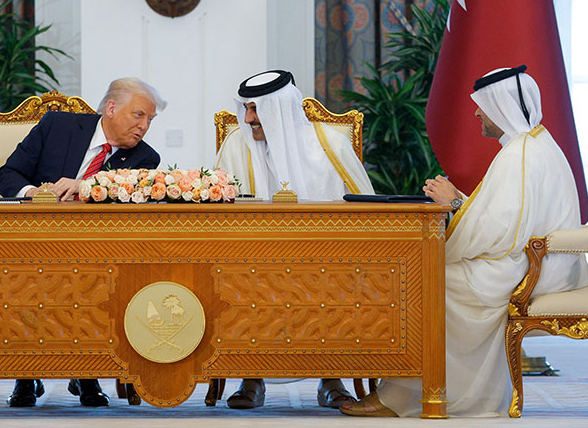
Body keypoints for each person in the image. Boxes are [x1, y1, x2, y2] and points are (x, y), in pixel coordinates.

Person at [342, 65, 588, 417]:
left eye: (482, 106)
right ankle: (402, 392)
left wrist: (454, 204)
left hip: (529, 269)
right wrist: (460, 198)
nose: (477, 113)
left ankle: (405, 398)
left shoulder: (520, 154)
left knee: (424, 286)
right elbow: (508, 220)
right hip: (538, 262)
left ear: (501, 107)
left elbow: (500, 233)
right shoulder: (534, 143)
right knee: (423, 278)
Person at [0, 76, 166, 407]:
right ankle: (26, 374)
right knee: (29, 278)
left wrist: (85, 187)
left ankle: (87, 372)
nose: (144, 126)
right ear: (111, 108)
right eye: (139, 115)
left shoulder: (145, 158)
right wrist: (36, 194)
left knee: (95, 279)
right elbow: (8, 175)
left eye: (150, 119)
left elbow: (127, 201)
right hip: (36, 241)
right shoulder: (57, 126)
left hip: (98, 249)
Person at [216, 70, 374, 410]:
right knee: (239, 278)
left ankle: (331, 379)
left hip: (324, 255)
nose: (248, 119)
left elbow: (362, 205)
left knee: (336, 278)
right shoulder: (236, 144)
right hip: (252, 255)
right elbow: (217, 211)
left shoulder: (329, 143)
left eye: (256, 110)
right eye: (246, 109)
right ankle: (250, 377)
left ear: (279, 109)